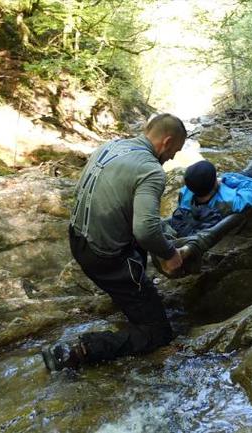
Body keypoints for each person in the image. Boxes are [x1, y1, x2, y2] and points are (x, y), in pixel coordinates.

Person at [42, 113, 187, 372]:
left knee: (150, 235)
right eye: (175, 150)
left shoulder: (110, 146)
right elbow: (144, 230)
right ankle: (76, 352)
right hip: (106, 259)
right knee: (158, 333)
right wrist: (169, 253)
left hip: (78, 240)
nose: (173, 158)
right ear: (166, 142)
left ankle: (133, 293)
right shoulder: (151, 171)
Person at [170, 160, 252, 237]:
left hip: (229, 186)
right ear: (215, 182)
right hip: (239, 188)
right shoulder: (230, 202)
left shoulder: (185, 192)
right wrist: (226, 178)